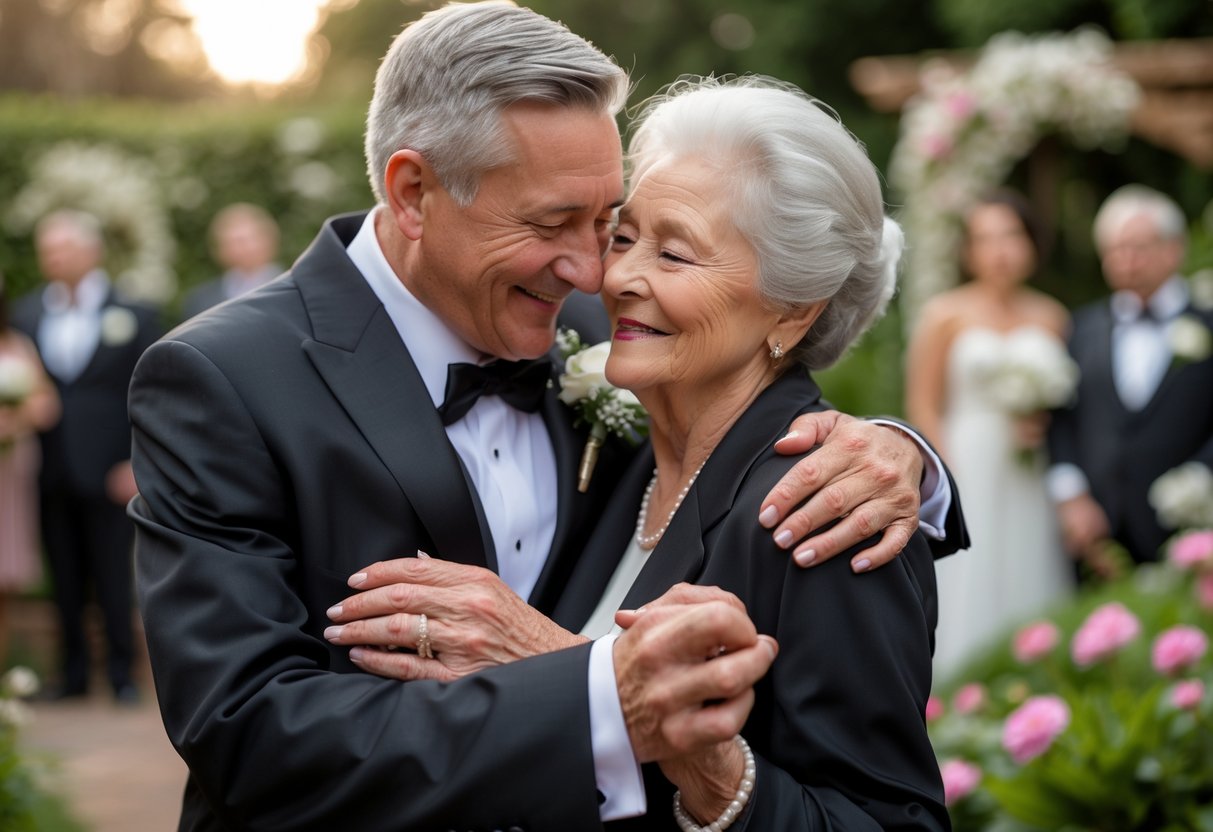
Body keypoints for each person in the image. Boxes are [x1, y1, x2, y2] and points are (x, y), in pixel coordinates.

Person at [129, 5, 966, 829]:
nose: (597, 270)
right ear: (413, 191)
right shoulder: (221, 378)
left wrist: (906, 457)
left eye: (611, 223)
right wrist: (594, 691)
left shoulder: (772, 467)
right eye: (562, 224)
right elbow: (246, 733)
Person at [329, 75, 953, 830]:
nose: (615, 277)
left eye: (675, 255)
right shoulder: (623, 459)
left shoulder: (823, 517)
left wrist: (713, 774)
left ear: (791, 310)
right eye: (622, 237)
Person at [905, 190, 1073, 677]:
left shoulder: (1052, 317)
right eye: (985, 239)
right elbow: (923, 402)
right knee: (967, 575)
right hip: (967, 461)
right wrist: (946, 476)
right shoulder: (945, 315)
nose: (999, 250)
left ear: (1031, 244)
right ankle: (960, 686)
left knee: (1028, 563)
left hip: (1029, 468)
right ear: (968, 251)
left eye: (1010, 236)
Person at [10, 210, 161, 703]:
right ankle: (71, 675)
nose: (53, 257)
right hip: (49, 468)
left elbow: (152, 394)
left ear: (92, 251)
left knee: (114, 572)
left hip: (111, 468)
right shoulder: (27, 314)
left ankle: (122, 675)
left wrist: (136, 461)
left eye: (64, 247)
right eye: (47, 248)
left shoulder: (133, 313)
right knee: (65, 574)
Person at [1049, 185, 1213, 568]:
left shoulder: (1208, 326)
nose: (1126, 260)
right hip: (1097, 537)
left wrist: (1198, 484)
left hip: (1192, 534)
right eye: (1114, 249)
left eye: (1138, 247)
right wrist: (1072, 496)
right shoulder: (1081, 329)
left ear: (1174, 249)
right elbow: (1062, 421)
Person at [0, 273, 60, 668]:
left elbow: (47, 407)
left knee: (6, 576)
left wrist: (15, 419)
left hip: (10, 475)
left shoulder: (17, 346)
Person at [180, 203, 282, 320]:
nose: (240, 249)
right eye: (229, 243)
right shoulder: (200, 301)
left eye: (243, 241)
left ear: (269, 240)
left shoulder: (296, 290)